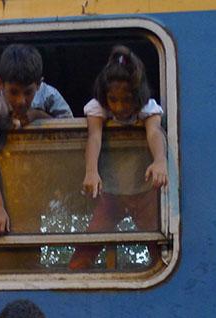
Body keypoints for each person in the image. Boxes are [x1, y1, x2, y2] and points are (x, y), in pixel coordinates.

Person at [68, 45, 167, 271]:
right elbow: (94, 137)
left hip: (143, 190)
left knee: (158, 251)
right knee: (89, 244)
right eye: (113, 99)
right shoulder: (99, 108)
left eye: (127, 100)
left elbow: (154, 132)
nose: (120, 107)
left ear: (138, 96)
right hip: (111, 192)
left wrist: (159, 160)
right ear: (105, 96)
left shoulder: (147, 108)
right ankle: (79, 271)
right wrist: (91, 171)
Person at [0, 44, 73, 235]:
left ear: (39, 84)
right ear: (0, 84)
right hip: (8, 167)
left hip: (43, 171)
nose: (21, 101)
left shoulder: (49, 95)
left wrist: (38, 115)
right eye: (14, 92)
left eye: (28, 92)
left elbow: (71, 132)